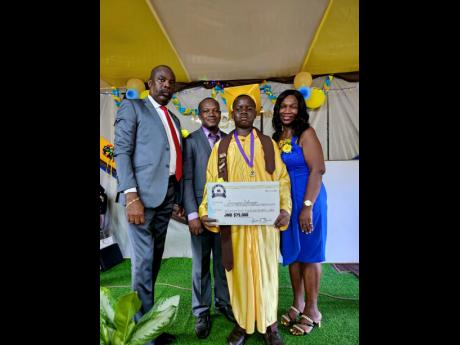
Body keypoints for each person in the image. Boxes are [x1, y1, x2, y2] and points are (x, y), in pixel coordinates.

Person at [199, 94, 292, 345]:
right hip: (236, 225)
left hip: (264, 226)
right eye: (238, 108)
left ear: (255, 113)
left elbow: (281, 179)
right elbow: (212, 182)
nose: (243, 112)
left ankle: (269, 325)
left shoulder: (268, 144)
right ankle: (242, 324)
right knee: (238, 274)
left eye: (248, 108)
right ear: (232, 113)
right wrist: (207, 208)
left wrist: (285, 208)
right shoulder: (222, 147)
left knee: (267, 273)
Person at [114, 65, 183, 345]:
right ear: (149, 83)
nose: (166, 85)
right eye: (161, 80)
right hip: (140, 198)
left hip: (166, 195)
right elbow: (122, 151)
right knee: (143, 263)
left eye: (171, 82)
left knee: (153, 262)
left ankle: (146, 324)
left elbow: (172, 158)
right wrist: (131, 196)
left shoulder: (175, 119)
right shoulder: (133, 107)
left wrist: (176, 198)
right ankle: (143, 335)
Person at [272, 89, 327, 336]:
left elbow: (318, 169)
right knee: (293, 255)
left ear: (300, 109)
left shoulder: (307, 133)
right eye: (283, 106)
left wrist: (307, 206)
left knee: (310, 254)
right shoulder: (277, 137)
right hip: (287, 202)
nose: (287, 111)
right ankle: (298, 303)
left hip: (308, 198)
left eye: (293, 106)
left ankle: (313, 311)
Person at [183, 97, 235, 339]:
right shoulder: (191, 142)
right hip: (200, 215)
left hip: (224, 213)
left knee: (223, 262)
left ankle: (224, 303)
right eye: (206, 111)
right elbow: (187, 180)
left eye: (215, 110)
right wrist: (192, 215)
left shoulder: (229, 140)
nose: (212, 114)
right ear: (199, 114)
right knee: (201, 264)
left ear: (220, 114)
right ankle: (202, 311)